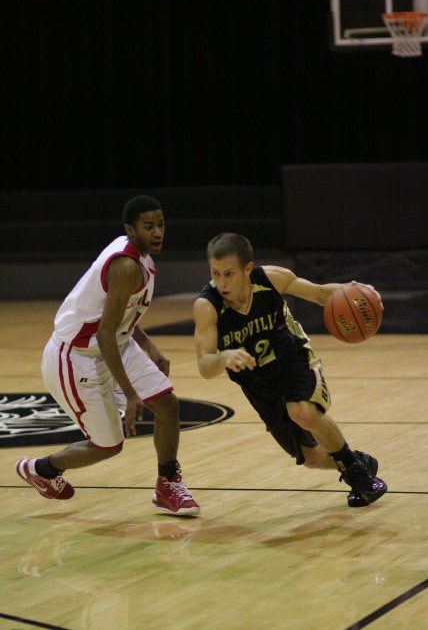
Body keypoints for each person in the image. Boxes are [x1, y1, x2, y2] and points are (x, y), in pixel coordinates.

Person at [16, 195, 200, 516]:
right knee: (108, 446)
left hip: (115, 342)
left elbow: (119, 318)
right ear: (130, 229)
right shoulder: (126, 265)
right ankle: (42, 469)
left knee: (167, 404)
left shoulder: (140, 256)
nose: (157, 232)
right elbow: (103, 332)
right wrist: (129, 394)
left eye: (161, 224)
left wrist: (151, 348)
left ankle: (167, 483)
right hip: (76, 356)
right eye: (149, 226)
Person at [193, 232, 387, 508]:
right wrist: (223, 356)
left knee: (302, 412)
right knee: (311, 458)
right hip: (258, 384)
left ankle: (359, 477)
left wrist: (357, 292)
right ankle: (358, 462)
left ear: (248, 269)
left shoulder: (271, 279)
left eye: (229, 273)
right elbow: (205, 367)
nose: (221, 282)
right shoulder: (207, 306)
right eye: (215, 273)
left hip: (291, 357)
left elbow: (320, 293)